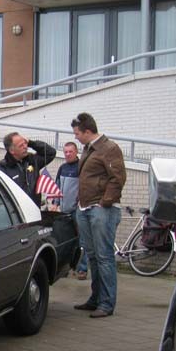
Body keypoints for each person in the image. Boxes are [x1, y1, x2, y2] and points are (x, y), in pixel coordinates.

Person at [71, 112, 126, 319]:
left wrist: (105, 203)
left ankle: (106, 303)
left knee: (104, 257)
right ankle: (96, 298)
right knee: (92, 255)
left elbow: (118, 178)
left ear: (87, 131)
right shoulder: (88, 149)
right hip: (86, 208)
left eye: (77, 133)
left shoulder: (108, 148)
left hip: (101, 209)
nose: (75, 137)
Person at [56, 142, 88, 280]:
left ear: (76, 152)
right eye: (65, 152)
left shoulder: (81, 167)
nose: (68, 154)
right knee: (65, 240)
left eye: (70, 151)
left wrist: (78, 203)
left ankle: (82, 269)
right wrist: (56, 204)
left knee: (82, 240)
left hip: (77, 211)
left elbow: (85, 187)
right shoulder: (62, 168)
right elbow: (57, 187)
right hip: (63, 211)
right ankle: (65, 268)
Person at [0, 132, 56, 204]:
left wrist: (31, 143)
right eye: (21, 146)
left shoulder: (32, 160)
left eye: (25, 143)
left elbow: (51, 153)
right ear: (12, 150)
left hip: (34, 209)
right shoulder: (2, 168)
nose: (25, 147)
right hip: (17, 213)